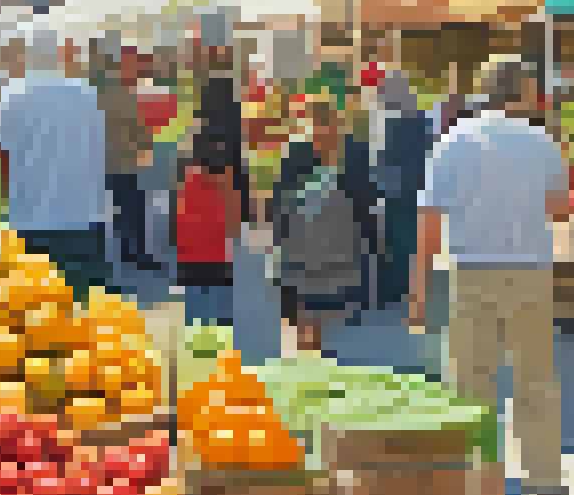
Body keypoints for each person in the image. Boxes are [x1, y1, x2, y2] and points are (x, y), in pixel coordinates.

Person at [416, 55, 572, 495]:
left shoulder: (454, 141)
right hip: (530, 267)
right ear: (521, 91)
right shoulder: (542, 141)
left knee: (469, 380)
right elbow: (560, 210)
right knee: (536, 380)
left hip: (470, 268)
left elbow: (429, 219)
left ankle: (475, 483)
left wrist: (419, 286)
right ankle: (544, 486)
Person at [0, 36, 112, 292]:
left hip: (31, 217)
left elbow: (1, 158)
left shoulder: (13, 95)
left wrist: (7, 202)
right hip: (85, 215)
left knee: (36, 313)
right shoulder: (87, 93)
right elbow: (101, 148)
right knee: (86, 311)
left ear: (25, 58)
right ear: (58, 57)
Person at [270, 96, 372, 353]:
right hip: (338, 251)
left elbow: (280, 202)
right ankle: (318, 354)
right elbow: (365, 201)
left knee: (308, 315)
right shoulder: (354, 150)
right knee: (328, 317)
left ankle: (312, 354)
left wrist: (279, 241)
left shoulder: (296, 151)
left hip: (304, 249)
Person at [173, 80, 252, 330]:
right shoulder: (232, 148)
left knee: (195, 318)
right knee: (222, 320)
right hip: (220, 245)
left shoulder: (193, 144)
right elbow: (236, 199)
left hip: (192, 247)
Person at [371, 68, 435, 315]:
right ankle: (408, 288)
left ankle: (394, 290)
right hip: (414, 188)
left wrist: (379, 185)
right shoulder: (419, 118)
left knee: (395, 241)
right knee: (407, 241)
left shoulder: (392, 120)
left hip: (397, 190)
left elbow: (385, 158)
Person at [97, 47, 161, 273]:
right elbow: (136, 126)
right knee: (133, 208)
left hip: (106, 160)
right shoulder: (121, 94)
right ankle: (137, 253)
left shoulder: (104, 92)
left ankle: (126, 250)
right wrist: (145, 142)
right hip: (121, 161)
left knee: (120, 208)